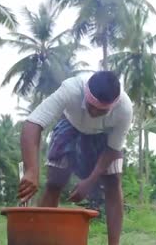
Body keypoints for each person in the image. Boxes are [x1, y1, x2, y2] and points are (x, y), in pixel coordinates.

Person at [17, 70, 133, 245]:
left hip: (104, 136)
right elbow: (33, 123)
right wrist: (31, 170)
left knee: (113, 181)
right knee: (54, 183)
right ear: (85, 93)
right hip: (70, 125)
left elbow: (113, 149)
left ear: (112, 105)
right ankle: (42, 239)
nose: (93, 112)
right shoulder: (71, 89)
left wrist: (89, 181)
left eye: (100, 110)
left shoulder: (124, 109)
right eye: (91, 105)